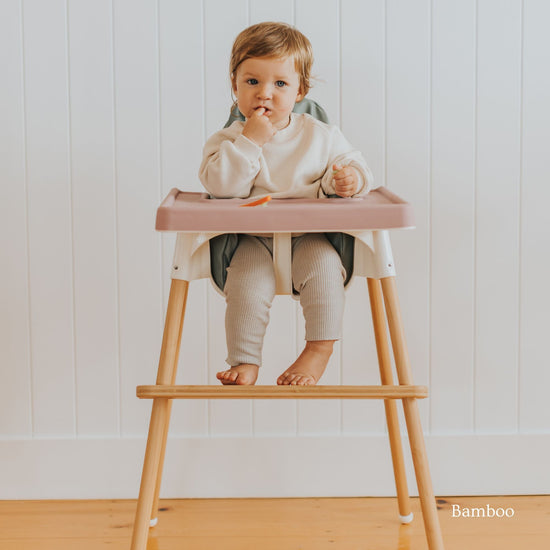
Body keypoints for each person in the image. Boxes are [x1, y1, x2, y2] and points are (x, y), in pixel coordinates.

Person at [199, 22, 374, 386]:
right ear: (235, 85)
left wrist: (349, 179)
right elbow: (220, 187)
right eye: (252, 82)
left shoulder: (320, 135)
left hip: (310, 234)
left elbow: (354, 164)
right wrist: (250, 142)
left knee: (327, 270)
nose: (265, 93)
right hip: (252, 238)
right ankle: (245, 360)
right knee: (245, 286)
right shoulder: (228, 140)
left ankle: (318, 350)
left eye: (280, 83)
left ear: (300, 91)